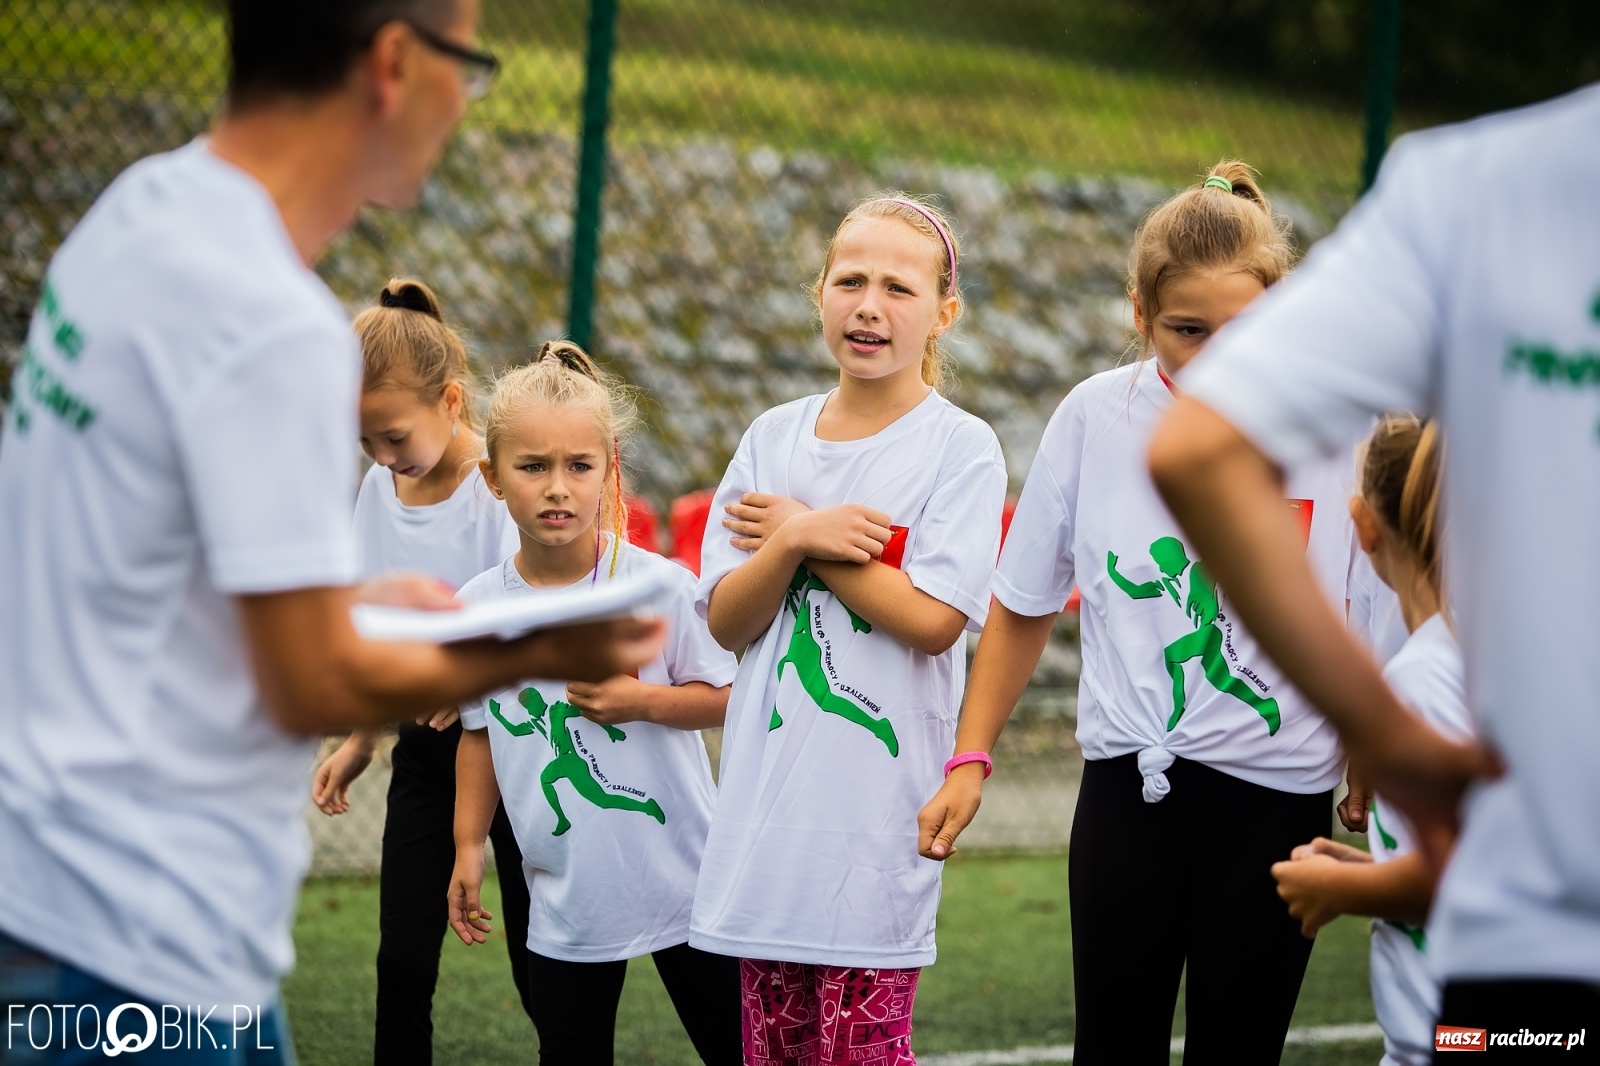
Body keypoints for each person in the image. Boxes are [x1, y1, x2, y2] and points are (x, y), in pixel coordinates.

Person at [0, 3, 660, 1061]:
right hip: (135, 933)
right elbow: (306, 679)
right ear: (396, 64)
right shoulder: (269, 320)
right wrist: (541, 645)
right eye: (470, 64)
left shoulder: (138, 210)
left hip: (59, 890)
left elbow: (153, 573)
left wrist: (355, 606)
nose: (468, 98)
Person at [1149, 86, 1599, 1050]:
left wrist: (1380, 734)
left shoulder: (1473, 191)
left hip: (1543, 935)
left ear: (1366, 525)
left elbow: (1196, 449)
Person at [916, 162, 1367, 1065]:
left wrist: (1373, 751)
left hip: (1279, 803)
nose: (1215, 357)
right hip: (1129, 796)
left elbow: (1376, 603)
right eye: (1185, 332)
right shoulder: (1095, 416)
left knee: (1237, 1051)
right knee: (1111, 1049)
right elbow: (1022, 600)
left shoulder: (1342, 429)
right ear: (1139, 314)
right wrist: (970, 757)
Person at [690, 194, 1008, 1066]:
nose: (869, 305)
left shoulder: (962, 448)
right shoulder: (770, 437)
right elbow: (726, 620)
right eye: (850, 280)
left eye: (899, 288)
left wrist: (812, 543)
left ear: (944, 313)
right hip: (765, 832)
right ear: (819, 293)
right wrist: (794, 535)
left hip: (875, 832)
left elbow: (936, 621)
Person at [447, 343, 741, 1066]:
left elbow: (729, 697)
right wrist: (465, 847)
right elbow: (480, 736)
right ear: (492, 477)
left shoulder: (660, 587)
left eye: (579, 466)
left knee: (740, 1051)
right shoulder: (477, 610)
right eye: (533, 466)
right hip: (565, 900)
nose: (558, 488)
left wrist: (642, 700)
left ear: (609, 469)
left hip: (686, 883)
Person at [310, 279, 535, 1063]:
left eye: (394, 436)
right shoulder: (381, 487)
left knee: (543, 967)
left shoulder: (500, 491)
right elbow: (379, 628)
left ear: (449, 400)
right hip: (428, 755)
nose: (382, 457)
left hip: (519, 755)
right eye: (365, 442)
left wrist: (467, 683)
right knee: (402, 958)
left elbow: (527, 622)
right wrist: (362, 738)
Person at [1271, 415, 1464, 1066]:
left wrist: (1340, 892)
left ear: (1363, 527)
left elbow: (1465, 872)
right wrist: (1369, 870)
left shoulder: (1422, 679)